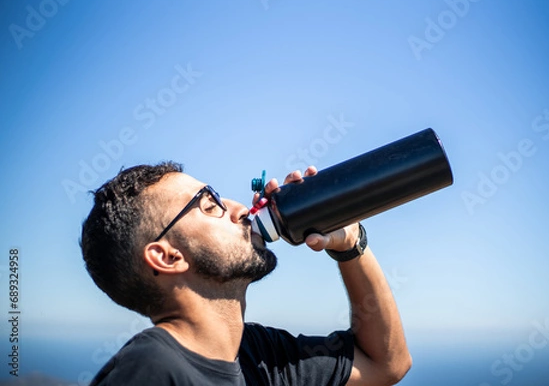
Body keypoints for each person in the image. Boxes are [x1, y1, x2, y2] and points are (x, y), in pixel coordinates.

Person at [80, 161, 412, 385]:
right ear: (167, 257)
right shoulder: (150, 371)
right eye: (209, 205)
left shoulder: (260, 354)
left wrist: (350, 243)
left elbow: (387, 364)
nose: (240, 209)